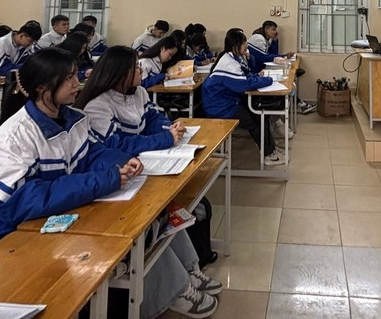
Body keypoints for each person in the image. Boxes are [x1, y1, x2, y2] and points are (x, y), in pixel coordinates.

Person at [73, 46, 221, 317]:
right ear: (119, 73)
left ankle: (190, 269)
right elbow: (118, 143)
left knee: (170, 213)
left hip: (139, 168)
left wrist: (169, 127)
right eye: (136, 68)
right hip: (117, 177)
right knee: (150, 222)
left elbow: (152, 117)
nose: (141, 71)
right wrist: (164, 139)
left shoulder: (138, 92)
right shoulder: (97, 105)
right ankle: (177, 290)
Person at [0, 48, 137, 257]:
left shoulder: (75, 119)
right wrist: (103, 180)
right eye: (68, 78)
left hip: (53, 220)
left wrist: (122, 162)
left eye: (76, 75)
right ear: (41, 87)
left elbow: (91, 154)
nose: (77, 83)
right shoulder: (14, 136)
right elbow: (18, 202)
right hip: (3, 239)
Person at [202, 30, 283, 166]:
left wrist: (257, 76)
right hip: (220, 107)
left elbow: (245, 75)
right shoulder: (228, 62)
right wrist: (268, 80)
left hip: (228, 101)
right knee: (254, 121)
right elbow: (243, 85)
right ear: (235, 45)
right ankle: (268, 155)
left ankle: (270, 149)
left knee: (260, 115)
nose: (247, 45)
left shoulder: (234, 58)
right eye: (244, 43)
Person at [0, 22, 42, 101]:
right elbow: (0, 70)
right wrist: (27, 66)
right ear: (22, 36)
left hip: (6, 84)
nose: (31, 44)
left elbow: (31, 61)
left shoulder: (25, 46)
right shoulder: (0, 44)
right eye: (30, 41)